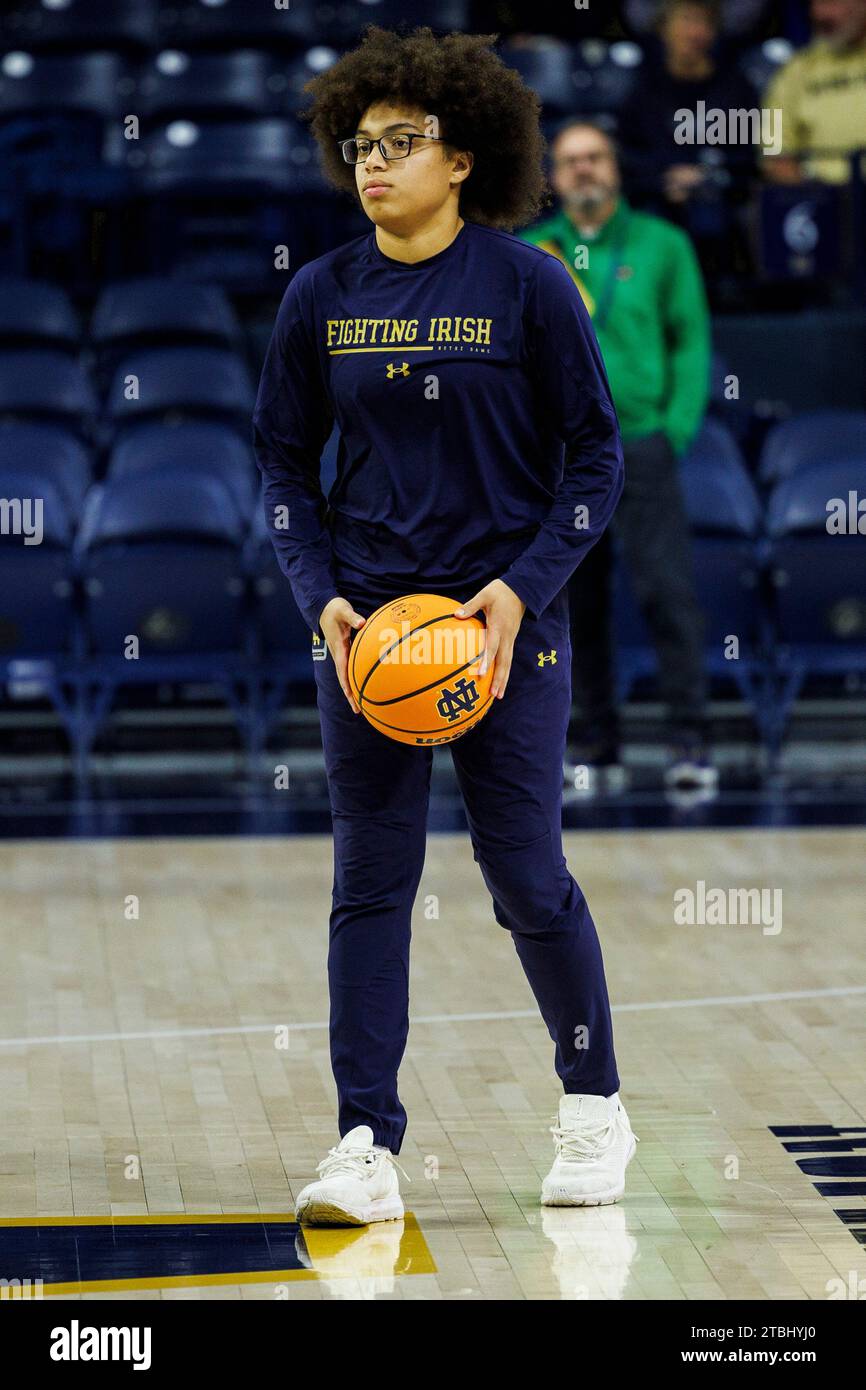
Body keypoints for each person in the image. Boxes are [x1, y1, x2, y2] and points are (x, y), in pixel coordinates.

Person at [253, 26, 638, 1226]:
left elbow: (595, 454)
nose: (373, 164)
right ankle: (364, 1142)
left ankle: (593, 1103)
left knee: (524, 873)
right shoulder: (319, 293)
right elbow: (276, 462)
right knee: (370, 882)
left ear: (462, 157)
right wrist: (323, 600)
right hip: (371, 636)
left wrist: (520, 588)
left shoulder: (526, 283)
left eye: (400, 143)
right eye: (358, 145)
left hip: (501, 629)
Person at [520, 120, 715, 791]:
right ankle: (594, 744)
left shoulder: (664, 245)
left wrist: (675, 426)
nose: (583, 170)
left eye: (595, 157)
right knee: (576, 603)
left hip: (641, 445)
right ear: (552, 176)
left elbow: (690, 341)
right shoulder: (532, 253)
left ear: (616, 167)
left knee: (666, 592)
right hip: (566, 457)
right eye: (570, 161)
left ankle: (690, 741)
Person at [617, 0, 759, 287]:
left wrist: (706, 176)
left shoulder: (736, 88)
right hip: (657, 198)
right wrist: (663, 179)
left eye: (703, 23)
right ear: (663, 30)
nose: (694, 32)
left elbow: (750, 156)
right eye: (685, 21)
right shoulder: (642, 90)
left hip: (722, 201)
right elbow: (627, 155)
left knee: (712, 216)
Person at [763, 0, 866, 185]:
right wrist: (810, 194)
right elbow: (774, 150)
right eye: (816, 4)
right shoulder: (796, 70)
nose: (821, 14)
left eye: (833, 3)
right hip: (821, 197)